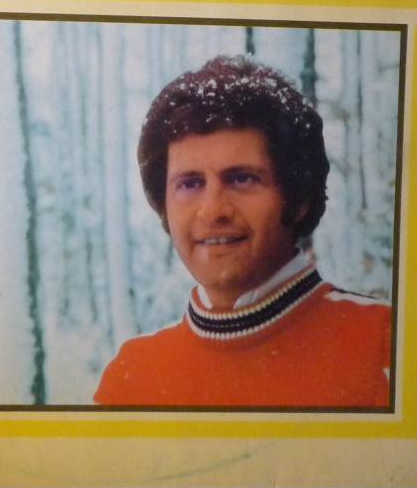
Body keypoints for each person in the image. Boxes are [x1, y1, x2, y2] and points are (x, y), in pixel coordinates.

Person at [93, 55, 392, 407]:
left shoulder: (385, 345)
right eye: (190, 184)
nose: (213, 210)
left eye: (241, 179)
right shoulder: (132, 376)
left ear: (298, 198)